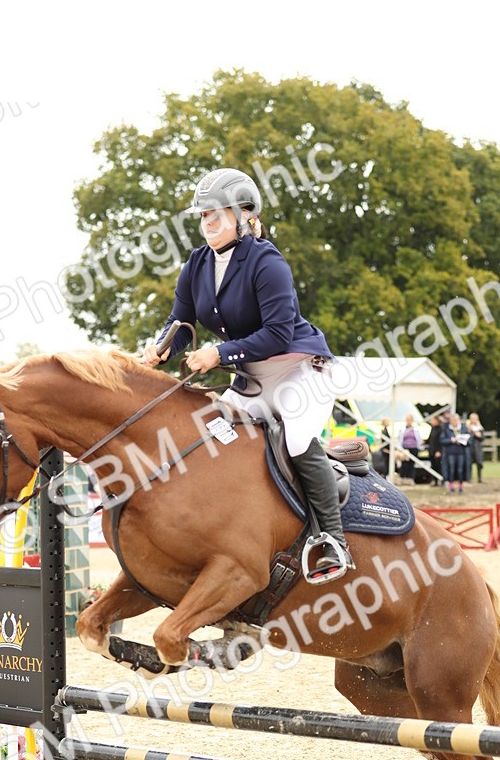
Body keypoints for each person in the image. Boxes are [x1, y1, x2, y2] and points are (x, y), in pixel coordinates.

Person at [142, 166, 354, 583]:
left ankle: (332, 540)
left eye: (216, 215)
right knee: (207, 433)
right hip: (252, 380)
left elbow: (278, 333)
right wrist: (159, 348)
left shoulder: (267, 262)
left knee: (294, 438)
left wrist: (219, 353)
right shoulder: (197, 265)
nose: (208, 224)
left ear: (244, 215)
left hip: (300, 372)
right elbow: (180, 321)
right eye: (203, 217)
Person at [398, 414, 421, 481]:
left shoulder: (415, 430)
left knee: (412, 464)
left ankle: (411, 478)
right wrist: (400, 449)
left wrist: (419, 446)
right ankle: (401, 478)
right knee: (404, 464)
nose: (408, 421)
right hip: (405, 449)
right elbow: (399, 440)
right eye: (407, 420)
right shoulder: (402, 429)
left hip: (414, 448)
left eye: (410, 420)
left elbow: (419, 439)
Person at [467, 412, 485, 484]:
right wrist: (474, 433)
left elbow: (483, 438)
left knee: (479, 463)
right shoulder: (467, 427)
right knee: (469, 463)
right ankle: (469, 478)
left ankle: (480, 478)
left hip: (478, 448)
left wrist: (479, 436)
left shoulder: (480, 428)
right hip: (470, 447)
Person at [426, 415, 443, 483]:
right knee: (433, 466)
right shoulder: (432, 428)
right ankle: (435, 480)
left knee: (438, 466)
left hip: (437, 451)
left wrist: (439, 451)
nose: (432, 422)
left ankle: (441, 480)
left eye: (433, 420)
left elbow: (440, 441)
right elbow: (430, 438)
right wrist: (424, 441)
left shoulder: (440, 429)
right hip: (432, 450)